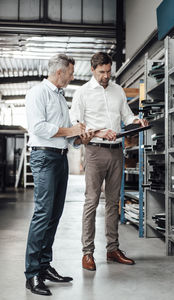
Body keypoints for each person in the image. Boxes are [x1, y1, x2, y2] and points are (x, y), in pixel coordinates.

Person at [70, 52, 148, 271]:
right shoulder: (82, 93)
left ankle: (112, 249)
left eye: (108, 71)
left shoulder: (117, 91)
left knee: (114, 202)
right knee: (92, 202)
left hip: (117, 152)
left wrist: (137, 121)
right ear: (93, 70)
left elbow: (126, 116)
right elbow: (77, 125)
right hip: (94, 151)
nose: (106, 76)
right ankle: (87, 253)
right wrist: (100, 133)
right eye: (102, 72)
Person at [25, 54, 93, 296]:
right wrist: (70, 130)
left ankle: (44, 266)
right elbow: (38, 128)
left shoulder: (61, 97)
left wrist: (79, 138)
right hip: (44, 158)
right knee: (43, 214)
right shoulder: (37, 93)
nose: (72, 77)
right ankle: (32, 274)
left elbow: (66, 135)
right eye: (71, 72)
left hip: (60, 157)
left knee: (54, 214)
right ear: (59, 72)